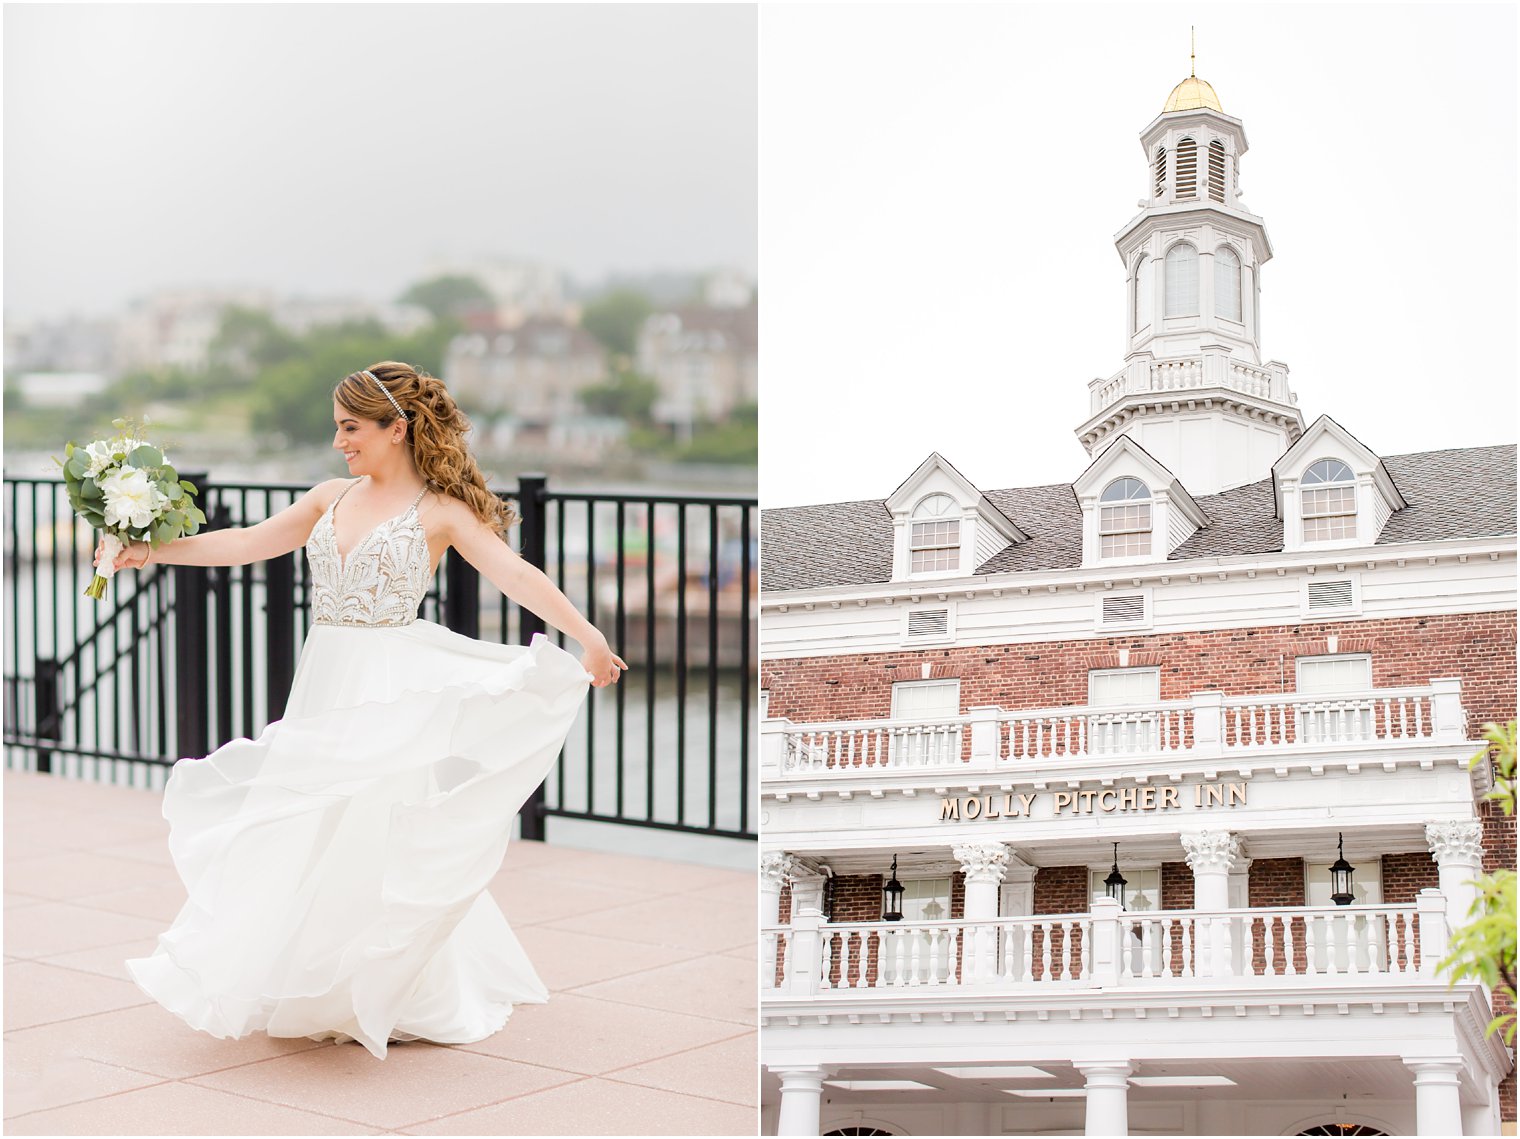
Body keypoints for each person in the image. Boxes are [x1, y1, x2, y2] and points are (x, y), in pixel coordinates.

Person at [98, 361, 626, 1059]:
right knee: (315, 824)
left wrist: (587, 637)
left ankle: (384, 991)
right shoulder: (329, 496)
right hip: (328, 677)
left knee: (380, 830)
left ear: (395, 428)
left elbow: (516, 574)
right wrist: (151, 550)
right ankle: (321, 982)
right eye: (338, 427)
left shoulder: (440, 511)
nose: (340, 440)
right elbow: (247, 542)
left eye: (351, 427)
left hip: (388, 683)